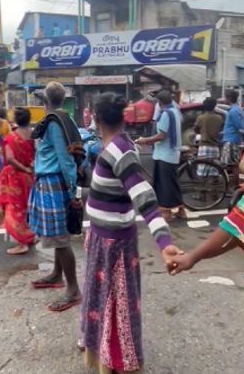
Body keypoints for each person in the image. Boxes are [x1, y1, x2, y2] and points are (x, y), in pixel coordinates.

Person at [81, 92, 181, 373]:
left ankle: (119, 361)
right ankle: (101, 351)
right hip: (100, 240)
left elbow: (145, 198)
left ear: (96, 119)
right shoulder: (113, 146)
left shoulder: (120, 151)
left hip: (115, 246)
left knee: (116, 305)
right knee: (101, 300)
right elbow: (109, 190)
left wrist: (164, 242)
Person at [28, 82, 81, 312]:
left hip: (54, 184)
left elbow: (66, 160)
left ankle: (73, 289)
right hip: (48, 183)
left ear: (45, 101)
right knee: (56, 237)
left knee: (60, 239)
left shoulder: (55, 124)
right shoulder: (59, 119)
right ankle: (57, 274)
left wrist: (73, 194)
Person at [135, 89, 184, 221]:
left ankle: (167, 213)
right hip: (172, 154)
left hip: (164, 155)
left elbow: (161, 135)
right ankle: (181, 210)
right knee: (173, 183)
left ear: (160, 102)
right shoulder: (175, 111)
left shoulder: (165, 114)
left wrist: (145, 140)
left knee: (165, 185)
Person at [0, 108, 36, 254]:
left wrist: (23, 169)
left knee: (15, 209)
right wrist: (29, 168)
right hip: (29, 176)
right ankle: (29, 236)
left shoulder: (11, 137)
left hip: (14, 177)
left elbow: (11, 158)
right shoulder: (33, 135)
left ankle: (22, 242)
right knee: (28, 207)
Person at [195, 96, 224, 179]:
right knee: (215, 172)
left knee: (202, 173)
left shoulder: (201, 118)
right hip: (215, 147)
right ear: (214, 106)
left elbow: (196, 129)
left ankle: (203, 189)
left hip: (203, 147)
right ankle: (214, 190)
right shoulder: (219, 118)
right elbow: (220, 129)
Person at [221, 89, 243, 186]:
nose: (224, 99)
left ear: (229, 98)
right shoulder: (235, 109)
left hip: (231, 140)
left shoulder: (233, 111)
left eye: (225, 97)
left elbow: (239, 125)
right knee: (229, 164)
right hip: (231, 139)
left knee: (233, 165)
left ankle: (236, 187)